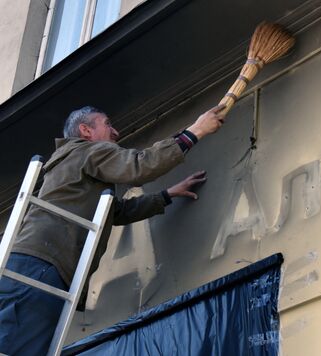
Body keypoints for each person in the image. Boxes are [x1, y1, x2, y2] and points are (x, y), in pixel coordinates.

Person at [0, 104, 226, 355]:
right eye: (107, 124)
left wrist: (166, 195)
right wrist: (195, 131)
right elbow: (139, 166)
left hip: (34, 264)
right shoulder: (88, 152)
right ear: (86, 130)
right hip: (42, 266)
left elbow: (114, 212)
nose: (116, 132)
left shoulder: (70, 166)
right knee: (17, 345)